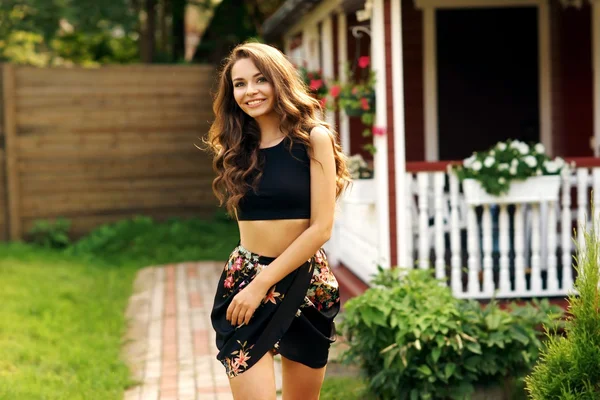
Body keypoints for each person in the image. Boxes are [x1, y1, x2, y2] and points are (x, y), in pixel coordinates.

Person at [205, 41, 351, 400]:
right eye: (239, 84)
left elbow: (321, 228)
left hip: (303, 281)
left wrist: (262, 286)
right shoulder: (236, 146)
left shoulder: (312, 139)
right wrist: (251, 285)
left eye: (259, 80)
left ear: (279, 81)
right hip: (244, 278)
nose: (250, 91)